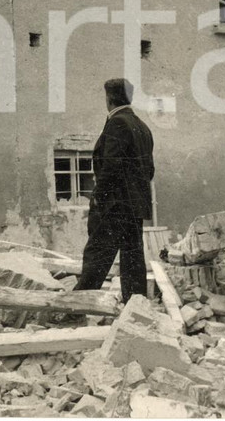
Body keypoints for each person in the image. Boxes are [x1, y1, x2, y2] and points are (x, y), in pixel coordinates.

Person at [74, 78, 155, 302]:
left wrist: (99, 199)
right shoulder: (143, 127)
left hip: (114, 206)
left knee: (97, 256)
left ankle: (77, 308)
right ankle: (136, 308)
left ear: (109, 98)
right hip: (134, 207)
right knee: (133, 259)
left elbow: (110, 167)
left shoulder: (117, 123)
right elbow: (149, 170)